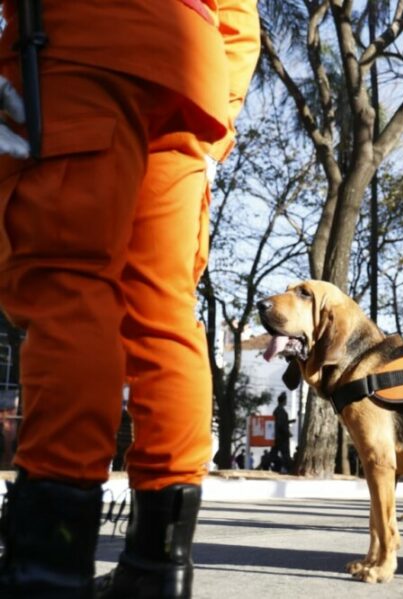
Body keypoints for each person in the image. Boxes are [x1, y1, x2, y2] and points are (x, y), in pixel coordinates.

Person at [0, 3, 260, 598]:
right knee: (164, 310)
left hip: (78, 44)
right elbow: (240, 17)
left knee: (69, 282)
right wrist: (216, 116)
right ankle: (159, 564)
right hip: (189, 76)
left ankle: (49, 566)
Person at [273, 392, 294, 473]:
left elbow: (281, 422)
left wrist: (290, 422)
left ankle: (277, 467)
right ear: (283, 401)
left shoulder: (277, 410)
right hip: (282, 436)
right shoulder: (280, 411)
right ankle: (288, 469)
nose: (286, 401)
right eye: (286, 400)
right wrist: (287, 433)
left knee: (274, 454)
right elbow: (280, 424)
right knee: (285, 455)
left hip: (278, 436)